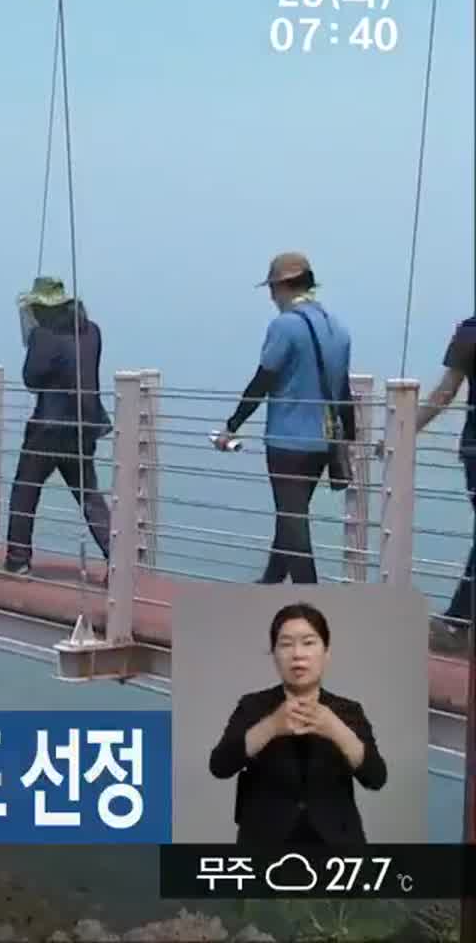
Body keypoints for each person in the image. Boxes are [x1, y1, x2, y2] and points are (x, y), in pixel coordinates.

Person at [215, 253, 357, 586]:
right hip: (323, 443)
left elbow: (263, 380)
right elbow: (343, 389)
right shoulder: (338, 328)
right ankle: (269, 584)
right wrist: (350, 437)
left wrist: (232, 424)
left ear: (282, 287)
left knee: (294, 525)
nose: (271, 297)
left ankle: (312, 601)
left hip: (287, 442)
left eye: (272, 289)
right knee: (291, 518)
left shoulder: (285, 326)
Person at [207, 602, 386, 846]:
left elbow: (376, 777)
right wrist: (271, 726)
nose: (298, 654)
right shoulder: (253, 706)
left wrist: (335, 729)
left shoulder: (348, 710)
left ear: (326, 653)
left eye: (309, 643)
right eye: (286, 644)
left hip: (337, 848)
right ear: (274, 655)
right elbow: (220, 766)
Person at [3, 278, 113, 574]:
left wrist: (34, 343)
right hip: (85, 426)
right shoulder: (93, 332)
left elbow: (31, 378)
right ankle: (117, 557)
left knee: (25, 490)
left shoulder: (44, 335)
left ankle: (18, 559)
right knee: (89, 495)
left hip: (48, 430)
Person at [417, 313, 476, 641]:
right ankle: (459, 619)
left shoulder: (470, 331)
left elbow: (445, 392)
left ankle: (459, 619)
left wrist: (406, 428)